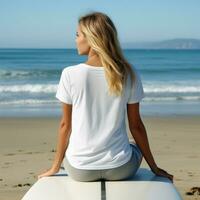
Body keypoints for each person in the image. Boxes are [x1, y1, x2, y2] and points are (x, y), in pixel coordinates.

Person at [38, 11, 173, 183]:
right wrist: (154, 167)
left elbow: (65, 125)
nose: (75, 40)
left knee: (73, 151)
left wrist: (55, 167)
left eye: (78, 35)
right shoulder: (128, 73)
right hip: (121, 169)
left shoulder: (69, 74)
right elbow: (136, 125)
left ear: (92, 39)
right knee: (132, 144)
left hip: (80, 171)